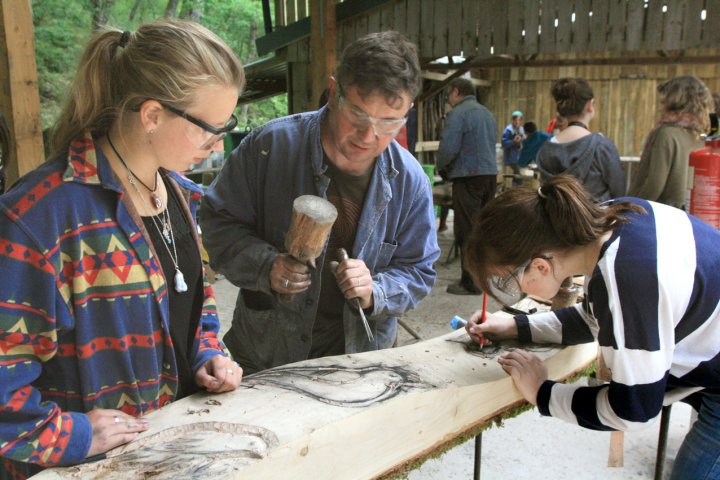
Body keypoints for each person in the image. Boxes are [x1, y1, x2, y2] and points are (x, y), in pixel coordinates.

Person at [0, 20, 244, 477]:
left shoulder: (179, 194)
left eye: (226, 125)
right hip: (85, 468)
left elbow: (194, 298)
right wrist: (66, 435)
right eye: (208, 128)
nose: (217, 144)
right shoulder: (39, 217)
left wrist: (207, 351)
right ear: (152, 114)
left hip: (170, 452)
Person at [201, 31, 440, 374]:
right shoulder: (269, 148)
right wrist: (266, 266)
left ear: (407, 112)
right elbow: (217, 222)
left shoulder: (410, 181)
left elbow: (419, 268)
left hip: (358, 361)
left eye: (388, 122)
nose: (369, 136)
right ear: (333, 91)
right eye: (358, 114)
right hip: (266, 352)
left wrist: (377, 290)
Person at [462, 174, 720, 480]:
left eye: (511, 283)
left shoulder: (629, 279)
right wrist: (514, 326)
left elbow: (634, 411)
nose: (517, 291)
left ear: (541, 266)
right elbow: (597, 317)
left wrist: (542, 393)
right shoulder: (613, 220)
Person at [437, 77, 498, 295]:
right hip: (490, 176)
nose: (448, 100)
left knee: (467, 230)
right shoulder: (486, 113)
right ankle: (483, 279)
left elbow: (448, 148)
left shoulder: (459, 113)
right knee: (483, 228)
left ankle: (470, 283)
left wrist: (442, 168)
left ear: (455, 92)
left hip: (468, 177)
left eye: (448, 95)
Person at [535, 78, 625, 202]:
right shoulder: (601, 146)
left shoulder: (545, 149)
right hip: (594, 219)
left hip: (554, 219)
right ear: (590, 105)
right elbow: (619, 192)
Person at [629, 76, 713, 209]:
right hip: (690, 213)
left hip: (663, 214)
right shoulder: (703, 136)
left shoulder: (666, 133)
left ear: (675, 101)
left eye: (663, 102)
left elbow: (654, 184)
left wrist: (631, 208)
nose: (660, 108)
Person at [501, 110, 525, 184]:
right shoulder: (508, 130)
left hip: (519, 155)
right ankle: (517, 188)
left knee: (518, 172)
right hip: (511, 156)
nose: (517, 122)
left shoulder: (521, 129)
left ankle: (516, 187)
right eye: (516, 120)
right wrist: (513, 141)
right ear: (513, 120)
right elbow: (504, 143)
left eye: (519, 120)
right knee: (519, 172)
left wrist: (524, 139)